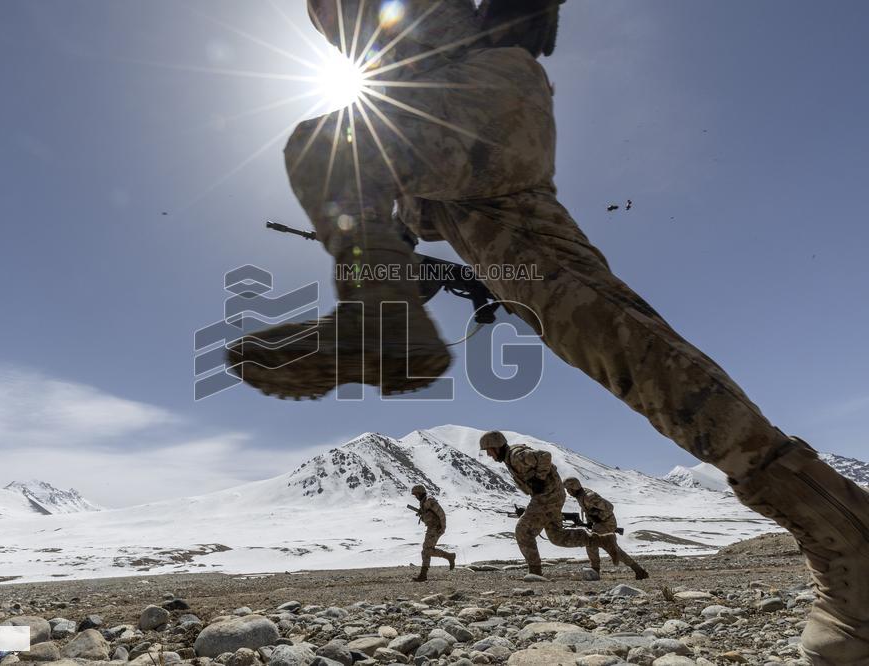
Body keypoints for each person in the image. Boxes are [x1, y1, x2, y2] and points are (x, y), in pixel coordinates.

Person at [227, 1, 869, 661]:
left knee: (329, 145)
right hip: (481, 183)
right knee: (615, 341)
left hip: (476, 98)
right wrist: (404, 255)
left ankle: (382, 321)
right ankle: (842, 532)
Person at [478, 431, 616, 576]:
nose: (489, 455)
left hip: (548, 496)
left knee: (523, 531)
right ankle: (602, 540)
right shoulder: (510, 459)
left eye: (489, 451)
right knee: (557, 536)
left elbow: (545, 455)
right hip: (550, 496)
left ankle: (535, 573)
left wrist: (540, 478)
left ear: (497, 447)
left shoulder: (516, 455)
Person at [563, 477, 648, 580]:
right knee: (608, 547)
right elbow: (589, 511)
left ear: (574, 487)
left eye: (569, 489)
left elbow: (610, 507)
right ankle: (638, 570)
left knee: (593, 542)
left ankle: (596, 570)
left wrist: (598, 516)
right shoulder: (580, 496)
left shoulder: (589, 496)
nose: (568, 492)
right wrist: (589, 522)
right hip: (600, 523)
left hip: (606, 522)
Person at [410, 484, 455, 581]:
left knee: (426, 550)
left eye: (416, 494)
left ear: (420, 493)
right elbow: (429, 516)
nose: (416, 497)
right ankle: (423, 574)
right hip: (432, 527)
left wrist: (442, 527)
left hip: (436, 528)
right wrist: (422, 515)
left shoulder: (429, 500)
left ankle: (449, 556)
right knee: (426, 550)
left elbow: (441, 513)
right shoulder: (424, 502)